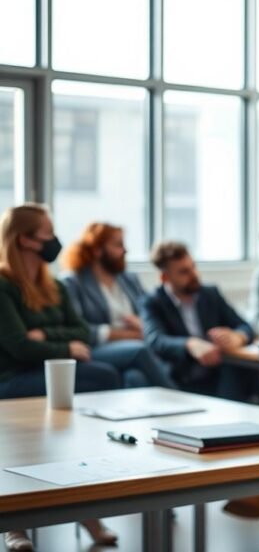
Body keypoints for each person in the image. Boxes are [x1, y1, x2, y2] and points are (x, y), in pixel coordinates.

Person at [0, 205, 122, 550]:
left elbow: (80, 330)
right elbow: (19, 346)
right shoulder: (3, 286)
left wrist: (47, 336)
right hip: (12, 380)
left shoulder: (54, 285)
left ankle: (86, 506)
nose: (55, 241)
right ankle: (15, 522)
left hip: (52, 371)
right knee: (98, 379)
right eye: (47, 233)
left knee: (105, 376)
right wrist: (63, 344)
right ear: (24, 239)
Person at [141, 241, 259, 402]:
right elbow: (155, 340)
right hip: (183, 375)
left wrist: (238, 336)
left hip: (217, 369)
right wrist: (189, 344)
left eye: (193, 267)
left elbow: (246, 326)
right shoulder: (152, 302)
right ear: (165, 277)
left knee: (239, 371)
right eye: (184, 272)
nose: (193, 275)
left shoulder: (210, 294)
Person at [62, 222, 176, 388]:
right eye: (118, 245)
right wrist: (127, 334)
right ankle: (177, 397)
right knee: (139, 350)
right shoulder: (73, 282)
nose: (125, 250)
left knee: (135, 377)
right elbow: (78, 329)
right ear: (97, 250)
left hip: (136, 348)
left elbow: (150, 315)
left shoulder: (129, 279)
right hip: (97, 348)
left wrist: (142, 324)